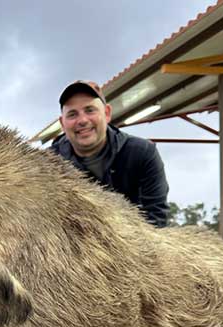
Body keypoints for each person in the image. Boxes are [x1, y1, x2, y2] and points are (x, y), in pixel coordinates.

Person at [51, 80, 170, 227]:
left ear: (107, 113)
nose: (82, 120)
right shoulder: (49, 165)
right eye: (72, 114)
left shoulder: (142, 153)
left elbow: (156, 218)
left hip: (132, 238)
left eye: (90, 110)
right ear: (62, 123)